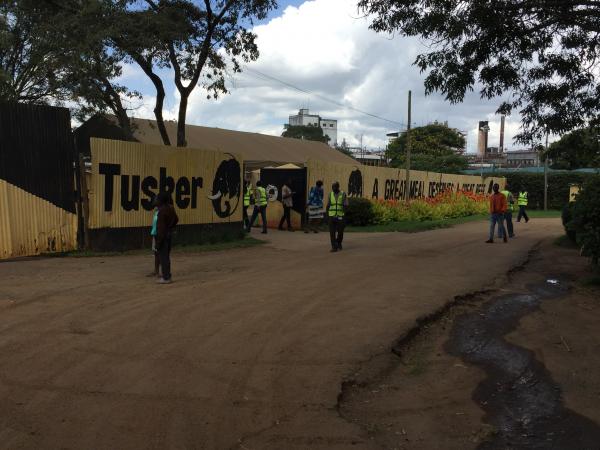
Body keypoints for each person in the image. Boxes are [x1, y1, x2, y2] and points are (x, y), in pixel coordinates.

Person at [155, 192, 179, 284]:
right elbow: (176, 219)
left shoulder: (162, 211)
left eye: (157, 198)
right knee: (166, 256)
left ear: (160, 200)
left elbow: (160, 229)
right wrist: (170, 227)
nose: (156, 200)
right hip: (169, 234)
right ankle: (168, 275)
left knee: (163, 257)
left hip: (163, 236)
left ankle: (166, 277)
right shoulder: (170, 208)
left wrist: (158, 242)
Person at [326, 181, 348, 252]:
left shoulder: (343, 194)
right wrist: (327, 215)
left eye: (335, 187)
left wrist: (344, 215)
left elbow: (345, 205)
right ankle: (334, 247)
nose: (333, 189)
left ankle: (338, 243)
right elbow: (328, 205)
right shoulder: (330, 194)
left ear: (338, 187)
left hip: (340, 215)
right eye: (332, 187)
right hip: (331, 216)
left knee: (340, 232)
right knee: (332, 233)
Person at [147, 202, 161, 278]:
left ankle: (162, 272)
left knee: (160, 253)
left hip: (160, 235)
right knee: (156, 253)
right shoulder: (156, 211)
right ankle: (156, 271)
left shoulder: (163, 211)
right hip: (155, 234)